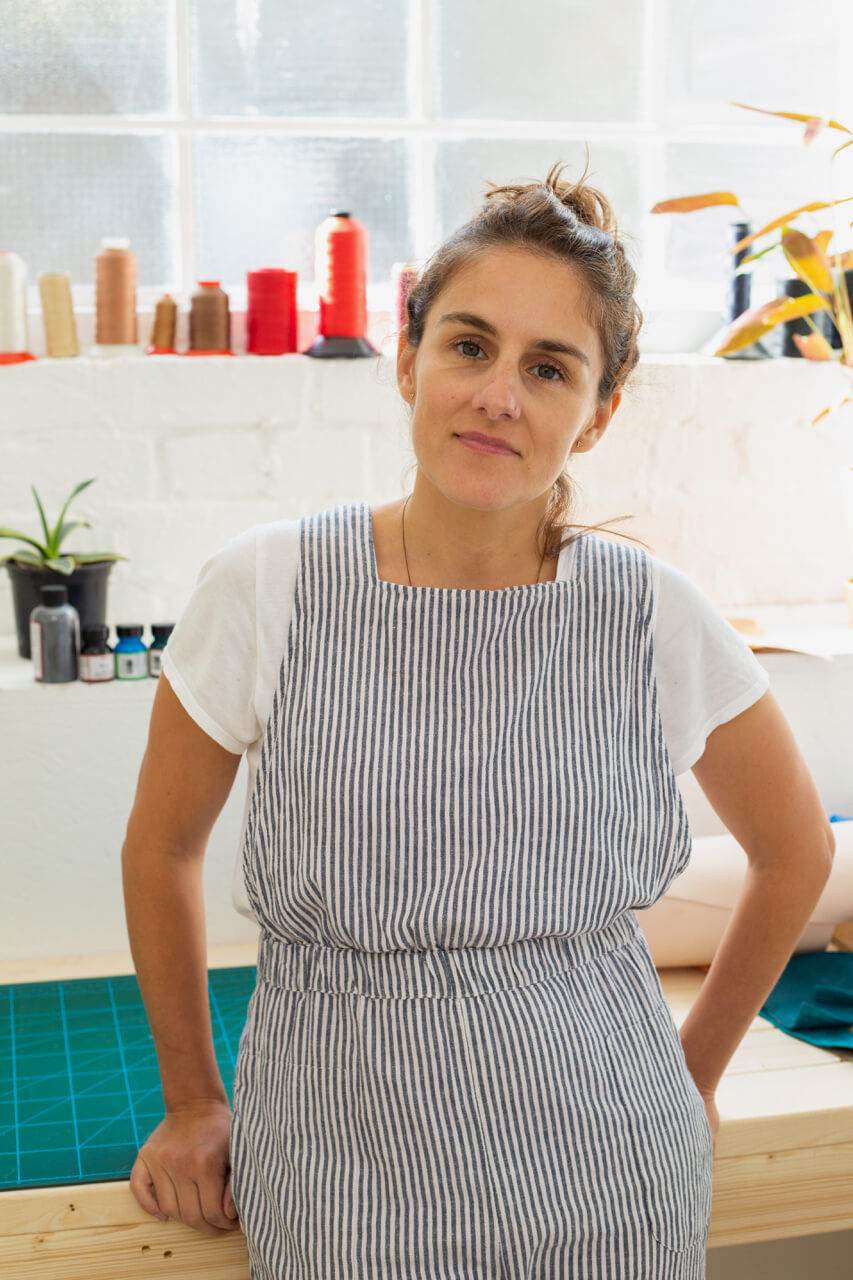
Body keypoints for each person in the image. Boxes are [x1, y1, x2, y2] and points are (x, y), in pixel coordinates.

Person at [122, 159, 835, 1278]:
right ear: (406, 358)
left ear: (596, 416)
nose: (499, 394)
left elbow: (796, 851)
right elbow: (161, 848)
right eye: (469, 344)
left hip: (610, 1162)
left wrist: (688, 1073)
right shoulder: (266, 588)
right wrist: (189, 1098)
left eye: (549, 368)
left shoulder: (647, 610)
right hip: (337, 1161)